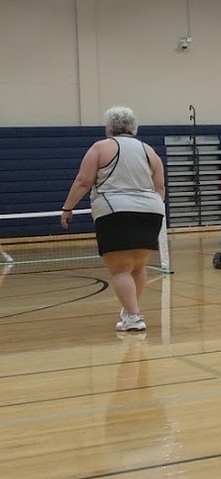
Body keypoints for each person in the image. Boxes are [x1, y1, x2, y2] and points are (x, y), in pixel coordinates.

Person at [60, 106, 166, 332]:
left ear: (110, 127)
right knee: (138, 266)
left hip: (115, 209)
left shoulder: (101, 147)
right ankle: (130, 313)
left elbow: (83, 181)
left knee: (120, 269)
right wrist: (147, 206)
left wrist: (68, 207)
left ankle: (134, 317)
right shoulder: (150, 151)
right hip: (152, 210)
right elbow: (160, 188)